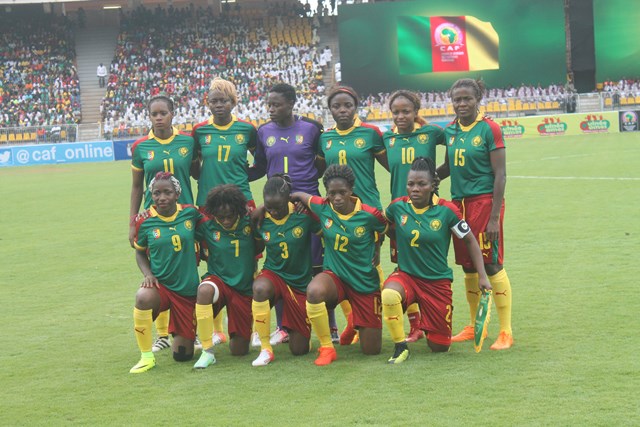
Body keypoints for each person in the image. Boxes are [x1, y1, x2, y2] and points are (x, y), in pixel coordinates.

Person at [249, 82, 336, 344]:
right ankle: (283, 326)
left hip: (306, 206)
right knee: (282, 264)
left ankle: (330, 325)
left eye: (276, 104)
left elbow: (321, 164)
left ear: (291, 103)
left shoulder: (311, 128)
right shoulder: (264, 131)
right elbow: (260, 167)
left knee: (318, 265)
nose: (271, 109)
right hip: (278, 208)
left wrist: (305, 195)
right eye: (269, 105)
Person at [382, 158, 491, 363]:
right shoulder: (397, 207)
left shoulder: (447, 210)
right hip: (406, 276)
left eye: (421, 184)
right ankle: (400, 347)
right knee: (389, 294)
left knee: (439, 347)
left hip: (436, 283)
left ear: (433, 185)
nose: (415, 189)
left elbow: (470, 240)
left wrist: (482, 276)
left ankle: (429, 323)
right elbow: (382, 226)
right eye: (410, 184)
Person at [437, 78, 514, 350]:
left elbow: (500, 175)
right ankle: (473, 325)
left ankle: (506, 331)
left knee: (491, 264)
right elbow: (448, 167)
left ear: (477, 99)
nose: (461, 104)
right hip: (459, 206)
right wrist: (426, 179)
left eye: (467, 98)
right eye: (457, 99)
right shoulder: (451, 130)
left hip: (484, 203)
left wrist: (493, 217)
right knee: (468, 266)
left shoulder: (489, 128)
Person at [290, 164, 388, 366]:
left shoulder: (370, 214)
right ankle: (327, 347)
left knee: (371, 351)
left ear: (351, 190)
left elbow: (385, 229)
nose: (337, 198)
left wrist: (377, 250)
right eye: (331, 193)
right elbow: (298, 195)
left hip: (364, 282)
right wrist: (289, 203)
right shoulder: (322, 206)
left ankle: (355, 322)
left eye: (342, 192)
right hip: (335, 277)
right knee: (314, 291)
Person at [317, 85, 388, 345]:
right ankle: (353, 321)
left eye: (347, 105)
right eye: (336, 106)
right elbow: (318, 172)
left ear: (356, 106)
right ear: (330, 110)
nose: (342, 110)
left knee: (370, 264)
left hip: (366, 211)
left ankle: (399, 321)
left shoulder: (371, 133)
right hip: (336, 212)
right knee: (341, 265)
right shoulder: (325, 138)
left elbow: (393, 166)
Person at [192, 77, 258, 346]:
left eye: (224, 100)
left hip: (241, 203)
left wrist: (240, 178)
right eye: (214, 101)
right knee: (212, 256)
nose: (219, 105)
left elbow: (261, 163)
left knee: (249, 257)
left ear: (233, 102)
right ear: (207, 103)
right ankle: (216, 330)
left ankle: (255, 324)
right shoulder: (199, 131)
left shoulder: (247, 129)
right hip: (208, 205)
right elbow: (193, 166)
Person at [129, 94, 197, 353]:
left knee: (189, 270)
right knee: (159, 271)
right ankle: (162, 334)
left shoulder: (188, 142)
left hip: (185, 218)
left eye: (163, 113)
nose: (158, 118)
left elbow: (198, 173)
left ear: (172, 114)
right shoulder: (141, 147)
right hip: (154, 219)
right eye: (154, 114)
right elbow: (137, 187)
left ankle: (195, 329)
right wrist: (133, 222)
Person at [382, 90, 445, 343]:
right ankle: (416, 325)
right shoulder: (387, 138)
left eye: (406, 111)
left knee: (428, 265)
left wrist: (439, 175)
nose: (400, 116)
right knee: (403, 267)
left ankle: (434, 317)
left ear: (416, 112)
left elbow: (455, 140)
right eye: (396, 112)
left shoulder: (431, 133)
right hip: (400, 214)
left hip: (428, 213)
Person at [129, 172, 202, 373]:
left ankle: (180, 335)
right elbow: (140, 252)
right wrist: (148, 274)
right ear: (151, 195)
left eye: (167, 192)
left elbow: (211, 228)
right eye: (156, 193)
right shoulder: (145, 221)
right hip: (161, 286)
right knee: (143, 296)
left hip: (186, 291)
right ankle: (146, 357)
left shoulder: (190, 213)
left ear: (177, 194)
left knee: (183, 356)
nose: (162, 197)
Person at [251, 174, 321, 366]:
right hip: (273, 274)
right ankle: (265, 348)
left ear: (288, 199)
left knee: (299, 350)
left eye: (278, 207)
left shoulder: (303, 215)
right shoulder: (260, 219)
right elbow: (256, 248)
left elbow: (326, 231)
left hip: (299, 282)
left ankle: (293, 330)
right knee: (260, 288)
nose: (273, 211)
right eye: (269, 207)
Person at [193, 184, 261, 369]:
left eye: (230, 216)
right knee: (204, 291)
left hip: (243, 289)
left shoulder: (249, 222)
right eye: (220, 216)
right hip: (219, 281)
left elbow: (260, 245)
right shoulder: (207, 226)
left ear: (238, 210)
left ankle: (233, 324)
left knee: (239, 350)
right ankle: (207, 351)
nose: (225, 220)